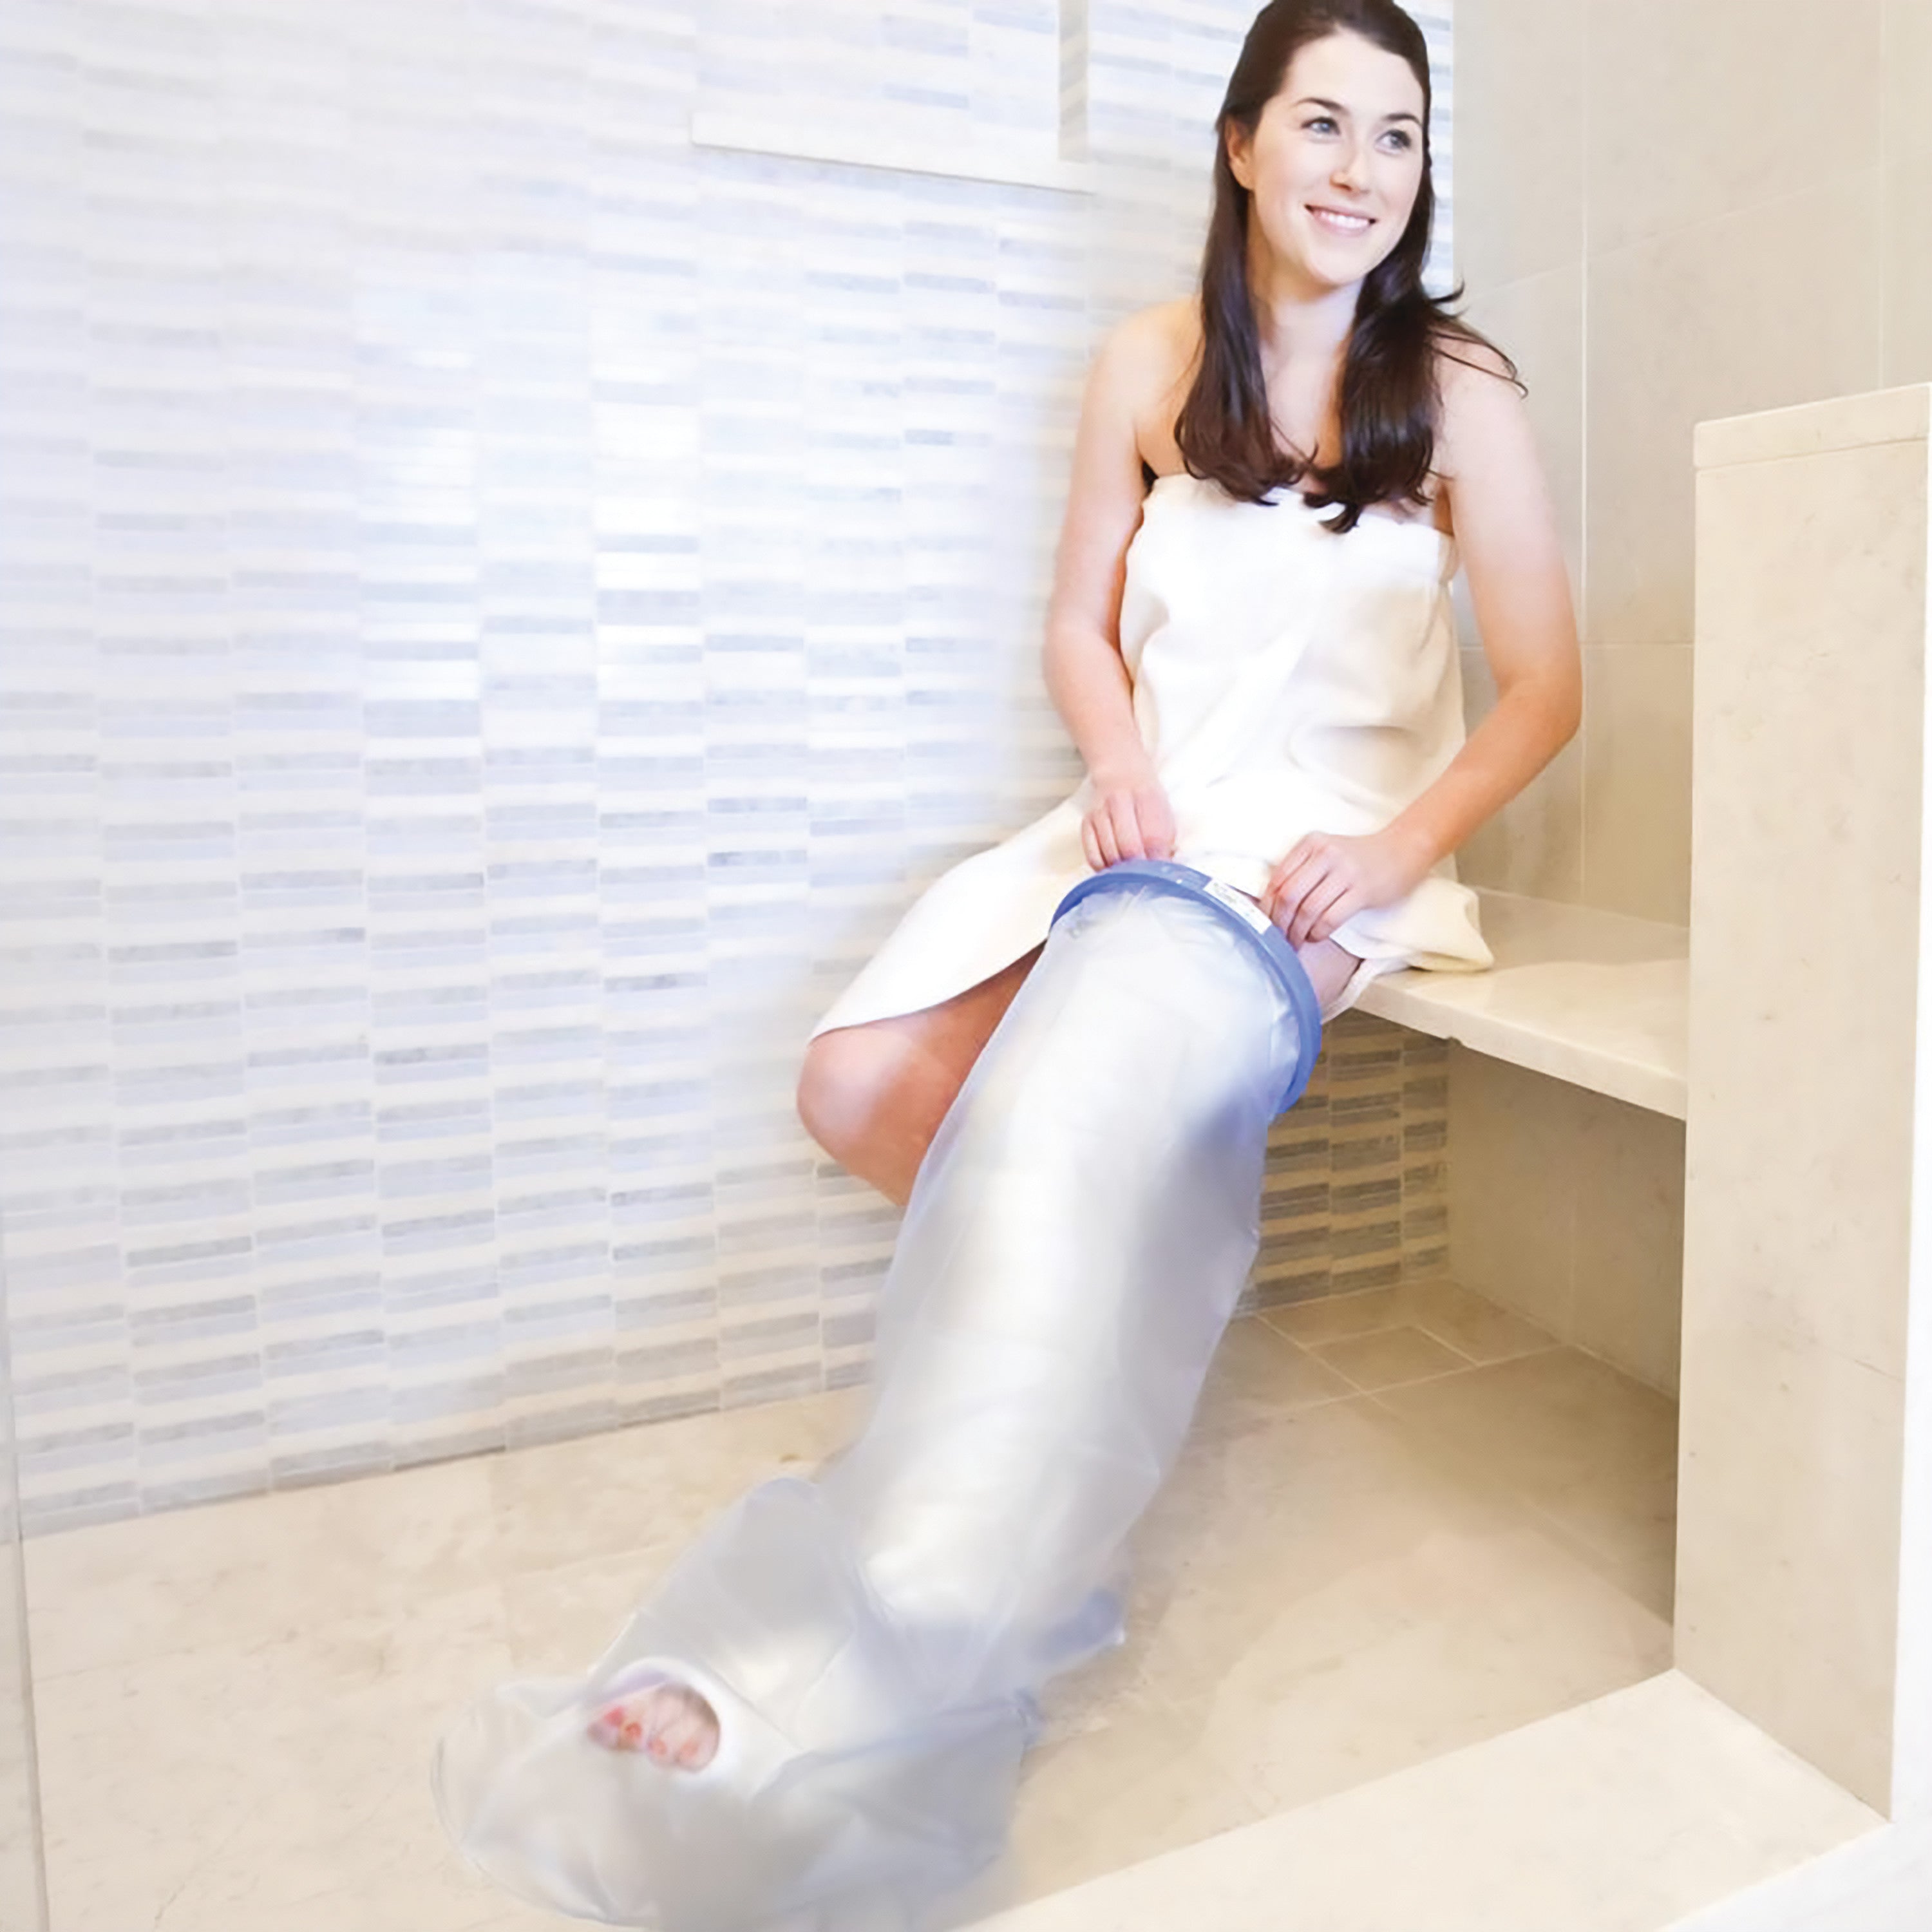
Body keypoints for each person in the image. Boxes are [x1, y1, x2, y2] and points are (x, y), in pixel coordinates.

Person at [442, 0, 1581, 1889]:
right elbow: (1075, 621)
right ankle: (1065, 1432)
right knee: (862, 1084)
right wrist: (1118, 763)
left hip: (1318, 864)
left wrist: (1390, 849)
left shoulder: (1458, 388)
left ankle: (825, 1676)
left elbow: (1543, 687)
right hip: (1142, 822)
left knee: (1051, 1142)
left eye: (1398, 135)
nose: (1361, 170)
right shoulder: (1148, 362)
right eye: (1322, 124)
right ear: (1240, 145)